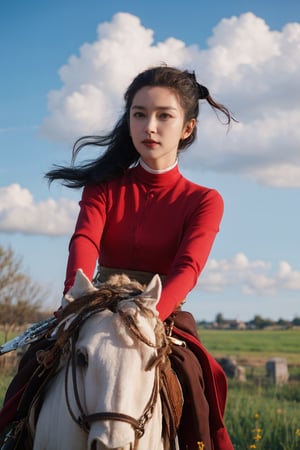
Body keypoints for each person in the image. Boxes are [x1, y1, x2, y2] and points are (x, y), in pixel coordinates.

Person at [0, 66, 234, 449]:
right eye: (139, 114)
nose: (150, 126)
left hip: (159, 312)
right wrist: (75, 299)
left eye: (164, 116)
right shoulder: (103, 186)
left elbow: (188, 268)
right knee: (35, 363)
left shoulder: (204, 200)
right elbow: (84, 241)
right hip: (95, 303)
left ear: (187, 128)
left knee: (197, 376)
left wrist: (149, 315)